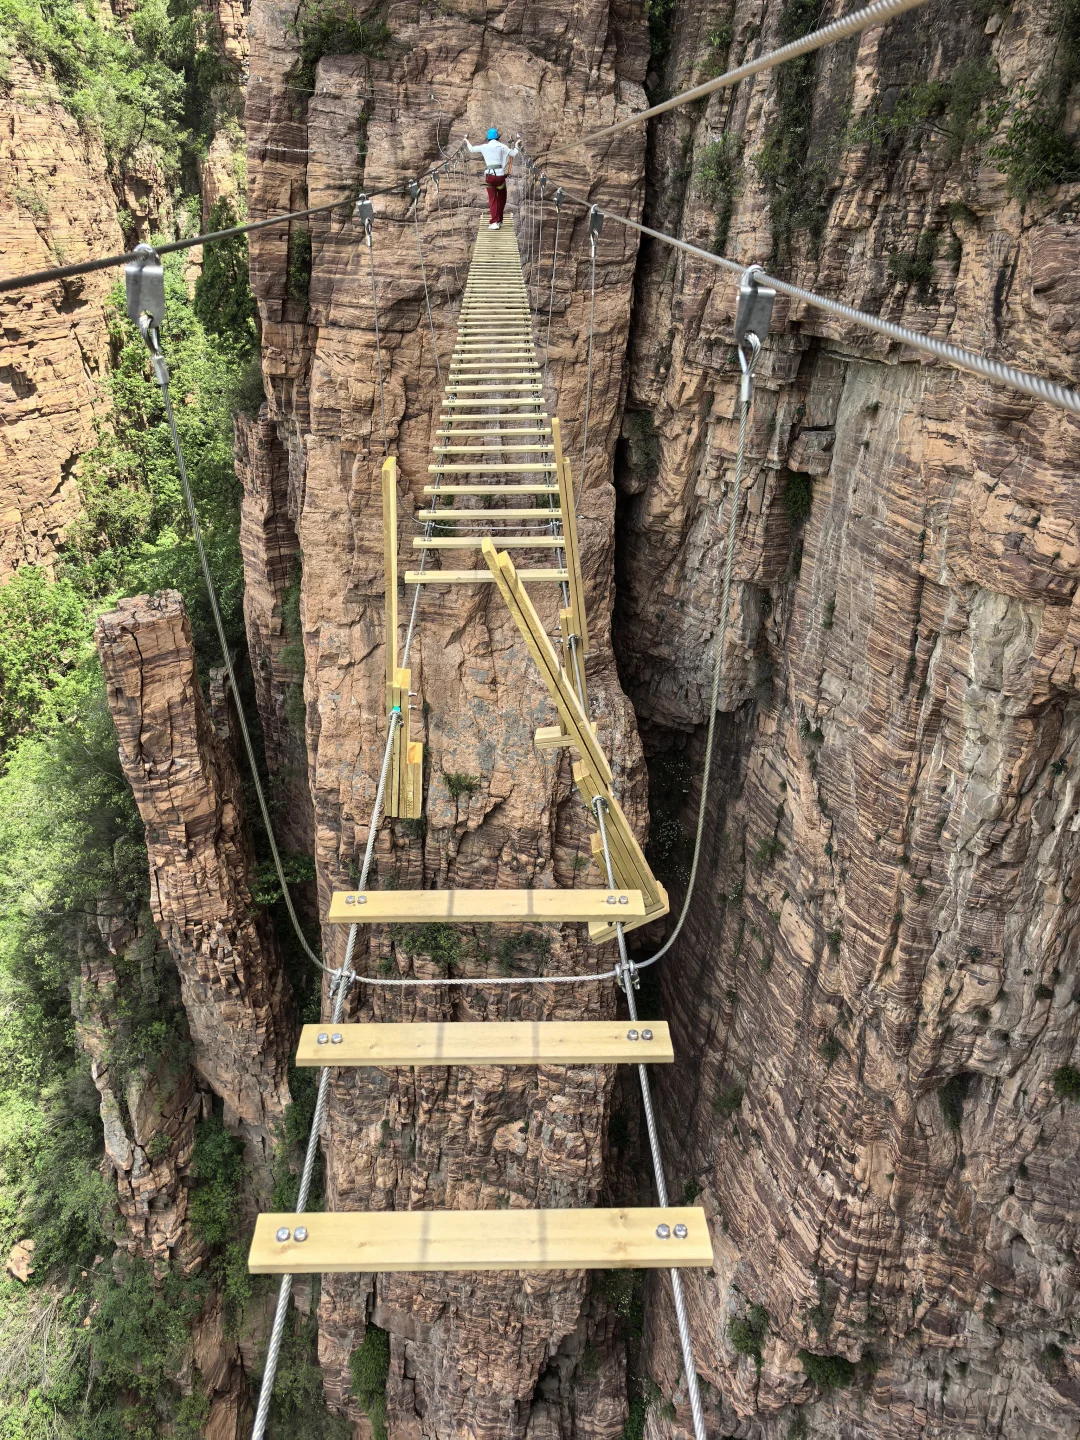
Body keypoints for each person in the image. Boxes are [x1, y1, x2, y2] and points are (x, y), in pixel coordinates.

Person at [464, 128, 520, 229]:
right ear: (497, 138)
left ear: (488, 138)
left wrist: (466, 141)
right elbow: (514, 154)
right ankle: (500, 221)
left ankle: (494, 222)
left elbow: (471, 149)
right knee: (502, 198)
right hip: (500, 177)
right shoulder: (502, 146)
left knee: (492, 199)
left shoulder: (484, 147)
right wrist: (517, 145)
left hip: (490, 177)